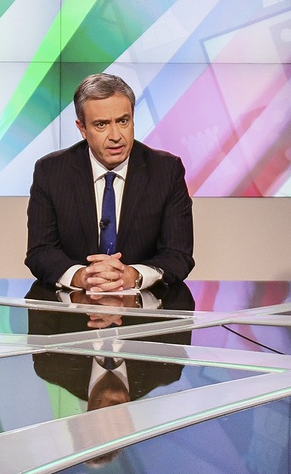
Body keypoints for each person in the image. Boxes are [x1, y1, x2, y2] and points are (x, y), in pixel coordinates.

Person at [26, 72, 194, 292]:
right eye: (101, 124)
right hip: (73, 306)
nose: (116, 135)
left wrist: (134, 275)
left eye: (123, 121)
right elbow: (41, 251)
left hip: (145, 307)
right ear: (82, 129)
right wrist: (81, 276)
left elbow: (178, 254)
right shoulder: (51, 171)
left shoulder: (166, 171)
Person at [24, 278, 188, 411]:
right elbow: (180, 299)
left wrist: (80, 278)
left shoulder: (52, 366)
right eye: (120, 427)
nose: (113, 418)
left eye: (103, 427)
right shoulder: (165, 369)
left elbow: (39, 295)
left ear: (86, 418)